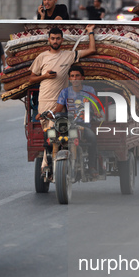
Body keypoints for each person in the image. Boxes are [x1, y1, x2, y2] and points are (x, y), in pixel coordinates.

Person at [29, 25, 96, 168]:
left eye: (58, 38)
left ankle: (58, 164)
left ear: (62, 40)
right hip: (45, 102)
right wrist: (45, 76)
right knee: (49, 134)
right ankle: (49, 164)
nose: (55, 41)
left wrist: (90, 31)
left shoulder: (69, 55)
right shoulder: (42, 57)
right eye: (52, 38)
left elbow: (91, 50)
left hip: (62, 104)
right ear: (49, 40)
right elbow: (31, 79)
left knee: (63, 133)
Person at [50, 66, 99, 175]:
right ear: (69, 79)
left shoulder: (89, 90)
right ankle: (49, 165)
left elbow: (96, 111)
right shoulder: (65, 92)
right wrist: (46, 114)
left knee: (92, 138)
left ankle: (92, 167)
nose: (75, 78)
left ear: (82, 78)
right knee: (50, 137)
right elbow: (57, 110)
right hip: (67, 125)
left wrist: (90, 106)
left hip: (83, 125)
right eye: (72, 76)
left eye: (77, 76)